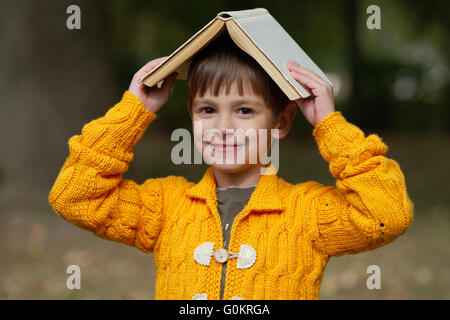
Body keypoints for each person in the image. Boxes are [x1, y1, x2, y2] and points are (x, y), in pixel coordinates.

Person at [48, 33, 414, 300]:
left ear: (281, 122)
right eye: (207, 110)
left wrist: (329, 125)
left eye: (244, 110)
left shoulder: (308, 213)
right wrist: (133, 110)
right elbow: (74, 198)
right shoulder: (165, 206)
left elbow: (387, 214)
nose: (222, 127)